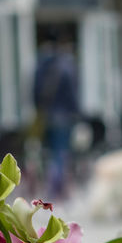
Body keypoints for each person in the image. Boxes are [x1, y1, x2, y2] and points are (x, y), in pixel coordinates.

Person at [33, 33, 80, 201]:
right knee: (62, 152)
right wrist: (76, 113)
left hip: (47, 115)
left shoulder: (41, 66)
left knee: (50, 152)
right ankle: (58, 189)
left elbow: (34, 92)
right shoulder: (66, 66)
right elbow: (73, 94)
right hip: (64, 116)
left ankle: (50, 186)